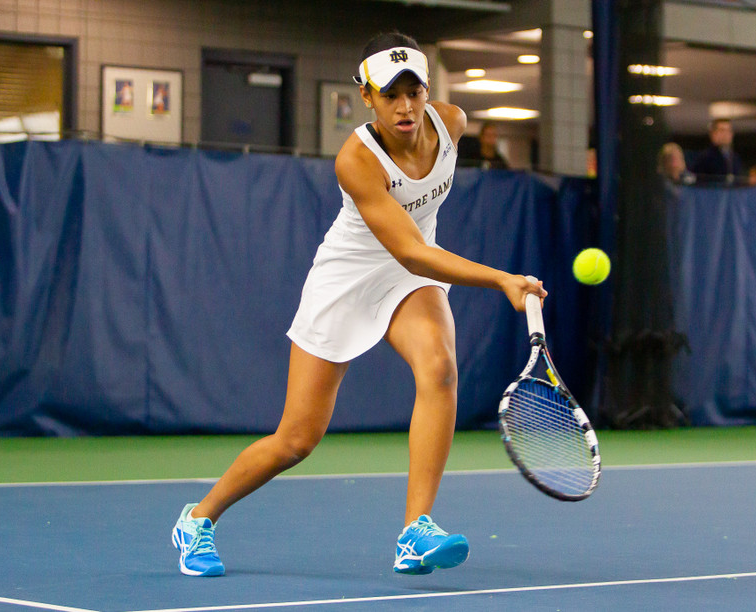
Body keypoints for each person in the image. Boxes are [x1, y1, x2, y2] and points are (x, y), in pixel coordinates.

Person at [170, 32, 546, 578]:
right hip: (348, 279)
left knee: (440, 368)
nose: (405, 106)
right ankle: (198, 519)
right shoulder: (356, 160)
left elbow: (415, 259)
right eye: (390, 94)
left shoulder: (452, 124)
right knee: (296, 439)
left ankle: (416, 531)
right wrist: (502, 280)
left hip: (409, 275)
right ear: (366, 97)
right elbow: (414, 252)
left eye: (414, 91)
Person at [689, 118, 744, 185]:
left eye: (728, 131)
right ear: (713, 134)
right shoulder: (705, 158)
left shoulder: (735, 158)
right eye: (722, 130)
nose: (725, 134)